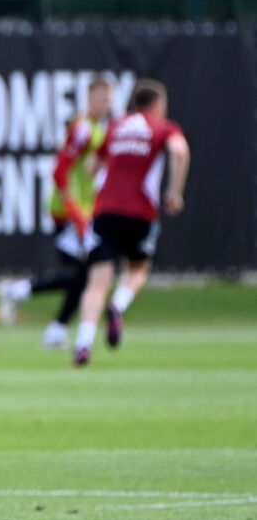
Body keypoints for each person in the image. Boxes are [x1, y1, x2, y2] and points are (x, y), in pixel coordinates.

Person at [72, 78, 190, 366]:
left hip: (105, 211)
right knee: (138, 269)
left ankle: (83, 343)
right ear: (158, 105)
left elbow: (90, 168)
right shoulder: (163, 128)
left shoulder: (115, 127)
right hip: (140, 213)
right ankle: (118, 304)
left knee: (97, 281)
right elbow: (179, 151)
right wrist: (174, 193)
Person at [0, 76, 113, 348]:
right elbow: (60, 171)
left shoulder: (99, 129)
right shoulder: (84, 130)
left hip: (84, 212)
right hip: (68, 213)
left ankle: (54, 329)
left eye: (109, 100)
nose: (105, 104)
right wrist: (76, 214)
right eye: (101, 99)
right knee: (87, 274)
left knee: (84, 276)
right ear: (89, 99)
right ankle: (19, 292)